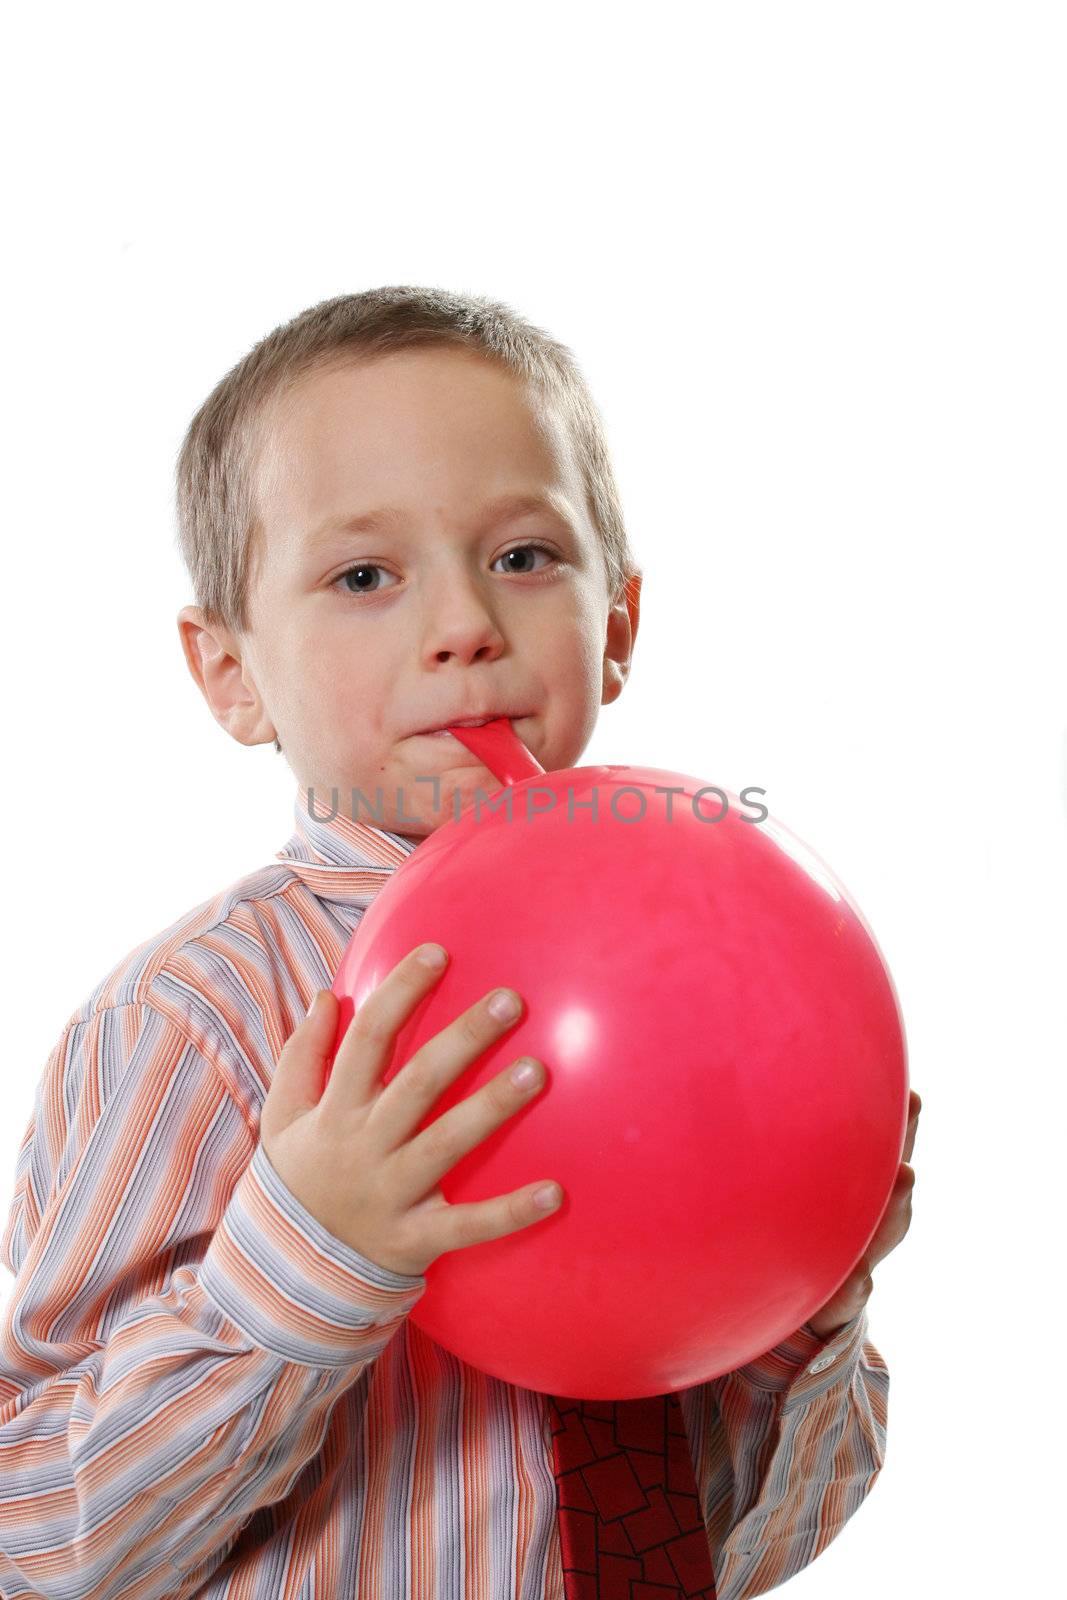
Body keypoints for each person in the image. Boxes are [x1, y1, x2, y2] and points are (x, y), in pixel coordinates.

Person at [0, 287, 919, 1599]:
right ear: (230, 675)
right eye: (365, 575)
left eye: (526, 557)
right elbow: (35, 1545)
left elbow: (754, 1549)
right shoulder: (193, 1024)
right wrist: (306, 1254)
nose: (465, 625)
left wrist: (793, 1309)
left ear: (618, 627)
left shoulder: (712, 991)